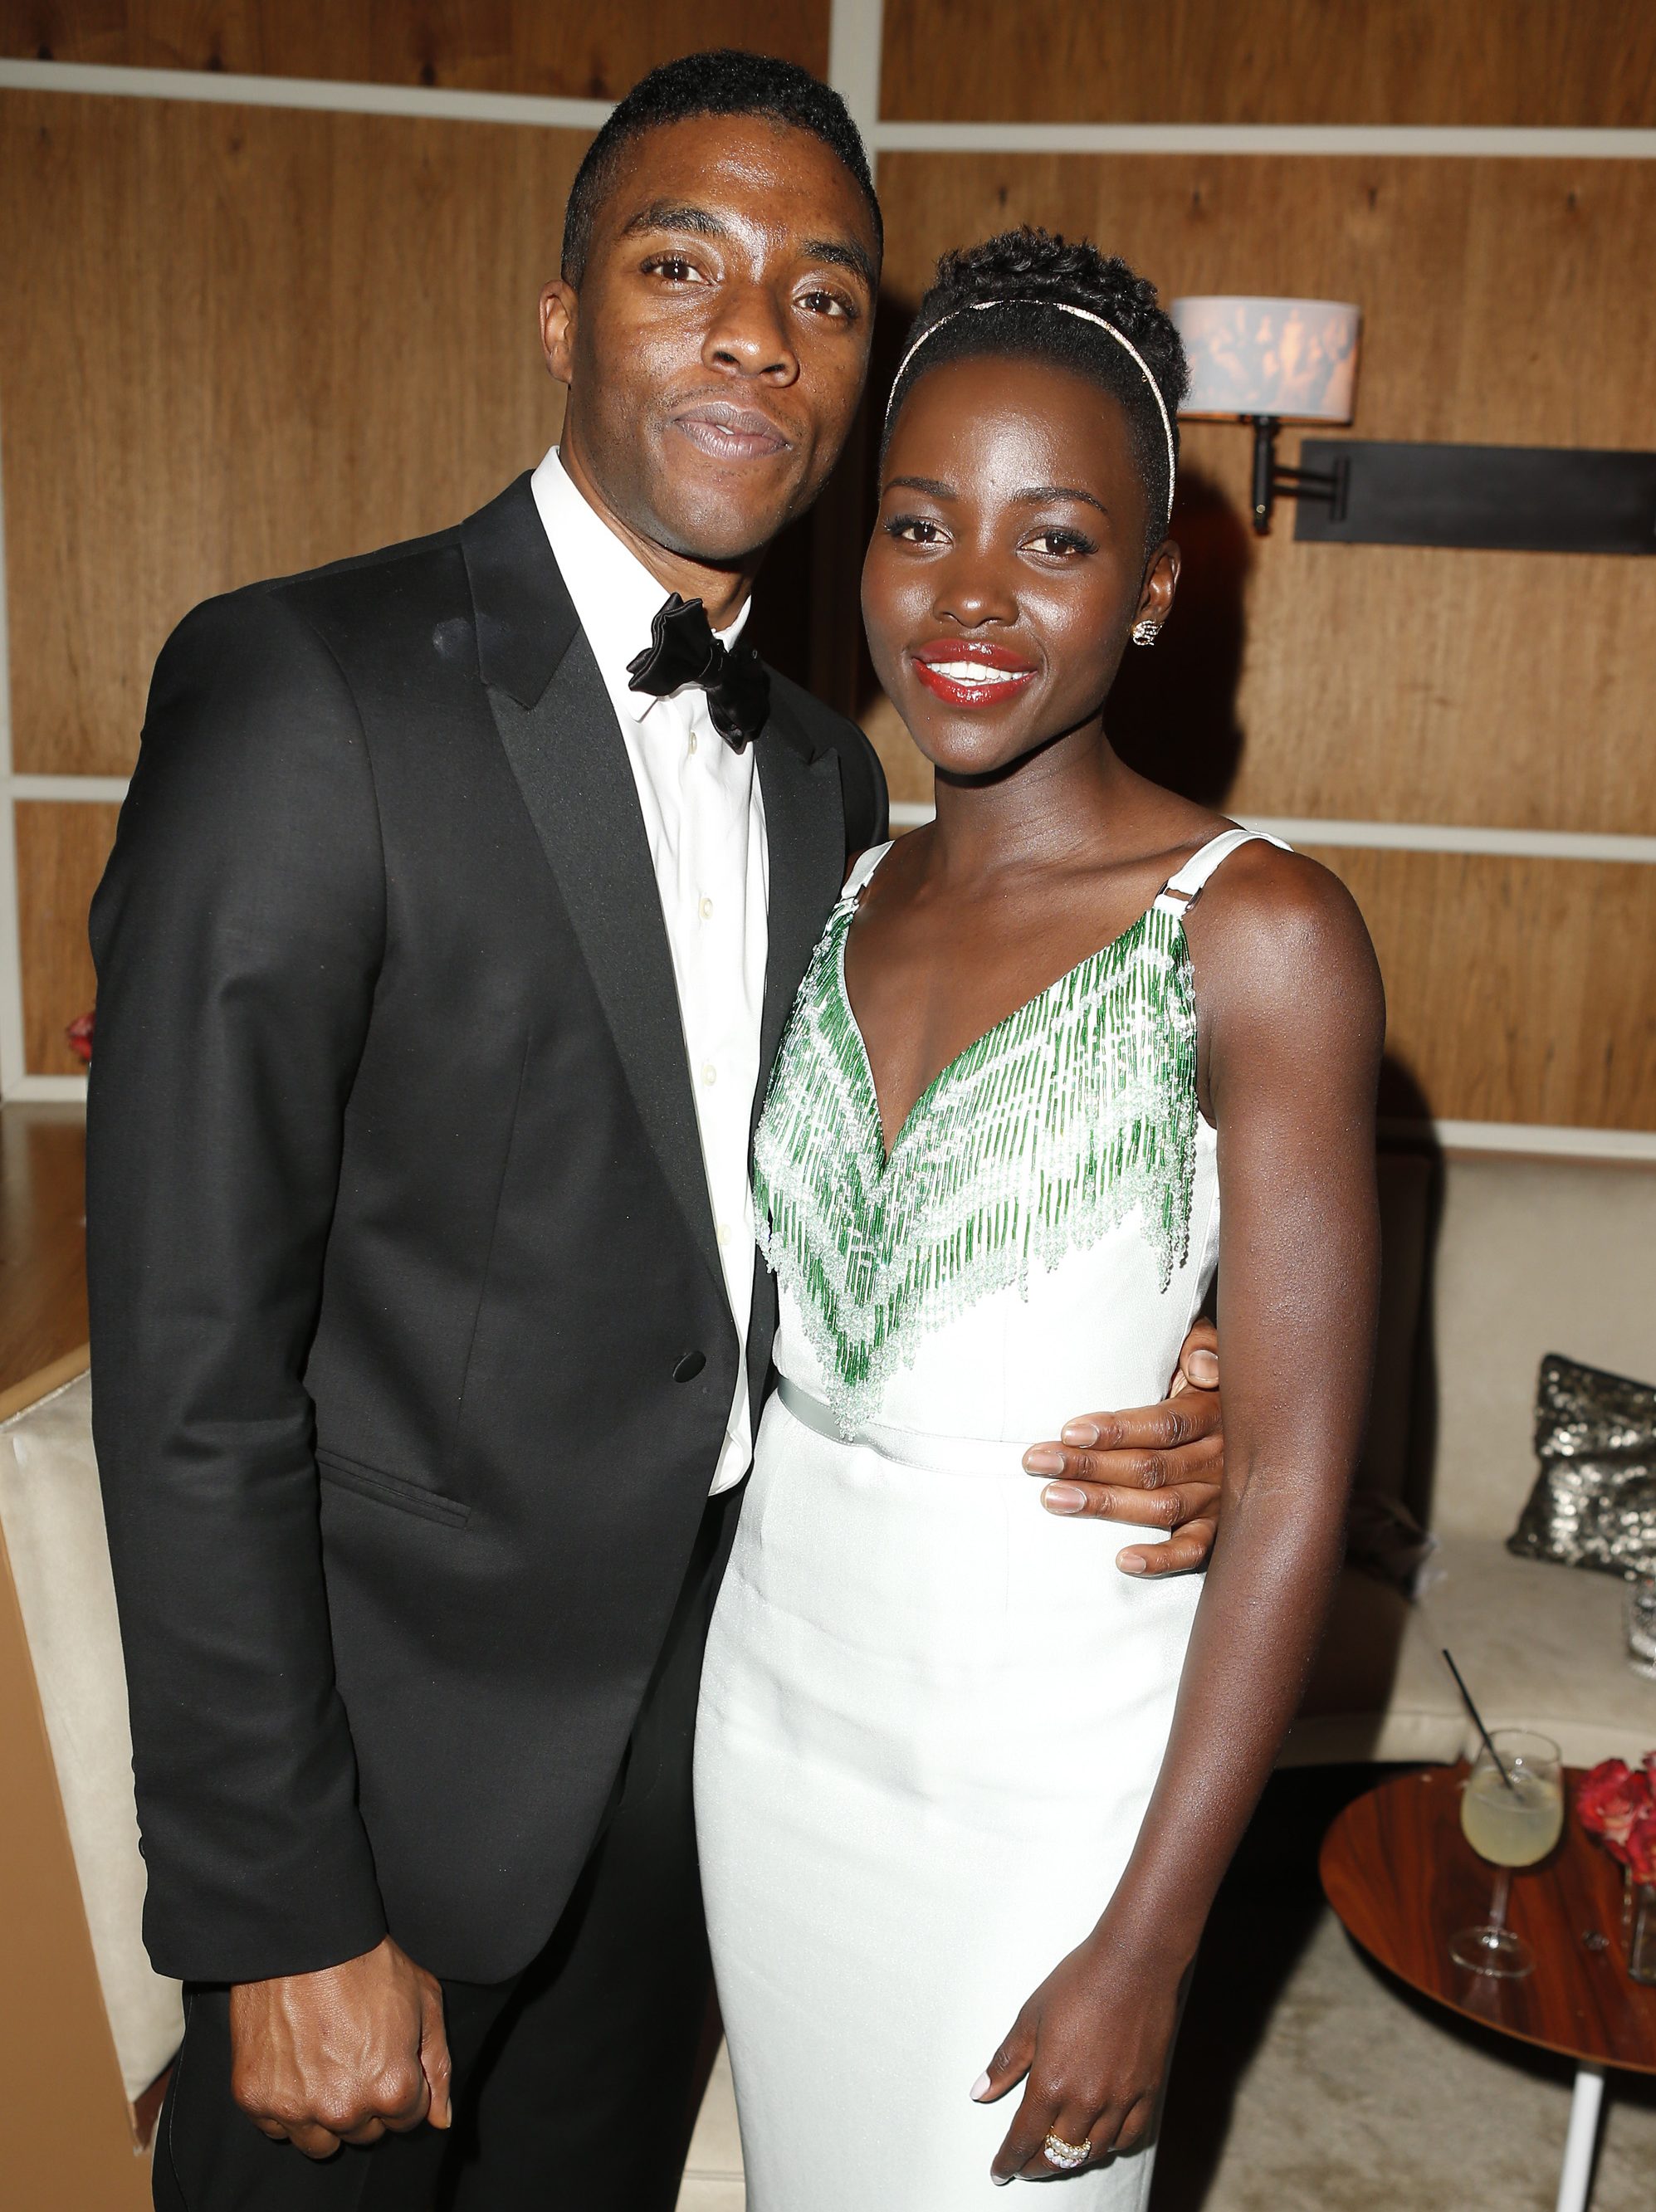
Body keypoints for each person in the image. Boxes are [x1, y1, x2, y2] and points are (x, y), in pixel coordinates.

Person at [86, 56, 1230, 2212]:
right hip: (387, 1789)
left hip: (718, 1747)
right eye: (678, 265)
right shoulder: (300, 687)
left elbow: (846, 1247)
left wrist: (1176, 1372)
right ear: (557, 320)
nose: (747, 331)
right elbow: (184, 1364)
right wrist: (274, 1901)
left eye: (816, 294)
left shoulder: (829, 783)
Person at [696, 227, 1384, 2206]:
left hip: (1043, 1778)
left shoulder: (1254, 931)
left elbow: (1288, 1486)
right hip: (771, 1720)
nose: (970, 596)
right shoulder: (837, 887)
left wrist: (1150, 1941)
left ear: (1155, 585)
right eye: (918, 525)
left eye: (1057, 540)